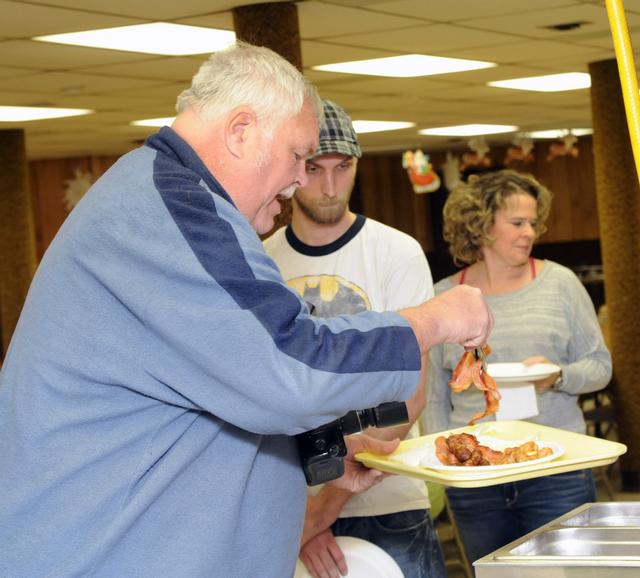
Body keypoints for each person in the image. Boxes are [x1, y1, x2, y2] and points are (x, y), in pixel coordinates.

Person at [0, 42, 493, 578]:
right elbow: (293, 362)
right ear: (240, 132)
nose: (302, 180)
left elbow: (225, 385)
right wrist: (434, 320)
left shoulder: (162, 194)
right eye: (299, 157)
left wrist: (321, 448)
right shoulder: (174, 207)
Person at [264, 100, 446, 578]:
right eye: (314, 168)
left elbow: (409, 395)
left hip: (387, 505)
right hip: (286, 514)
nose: (328, 186)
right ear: (291, 170)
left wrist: (324, 506)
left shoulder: (396, 253)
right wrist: (303, 517)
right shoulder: (260, 261)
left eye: (342, 167)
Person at [424, 169, 612, 567]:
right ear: (481, 226)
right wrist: (447, 468)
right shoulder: (444, 296)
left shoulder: (560, 284)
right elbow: (435, 396)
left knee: (569, 576)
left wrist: (558, 375)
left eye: (533, 222)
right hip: (477, 476)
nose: (530, 232)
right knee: (494, 573)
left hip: (557, 469)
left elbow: (599, 367)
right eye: (517, 223)